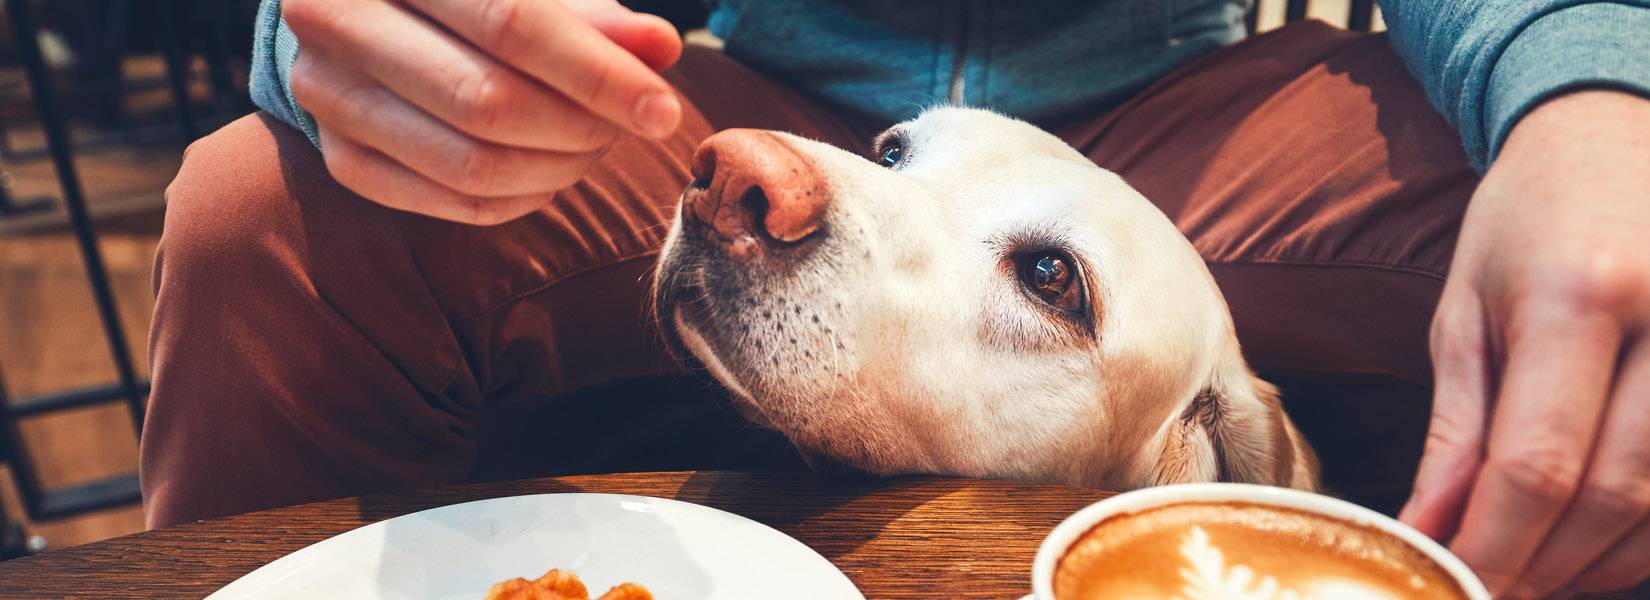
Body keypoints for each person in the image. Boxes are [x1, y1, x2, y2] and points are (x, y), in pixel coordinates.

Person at [143, 0, 1650, 596]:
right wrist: (373, 37)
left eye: (1048, 280)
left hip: (1198, 91)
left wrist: (1593, 97)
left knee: (1603, 277)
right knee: (261, 205)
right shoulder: (785, 169)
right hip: (748, 63)